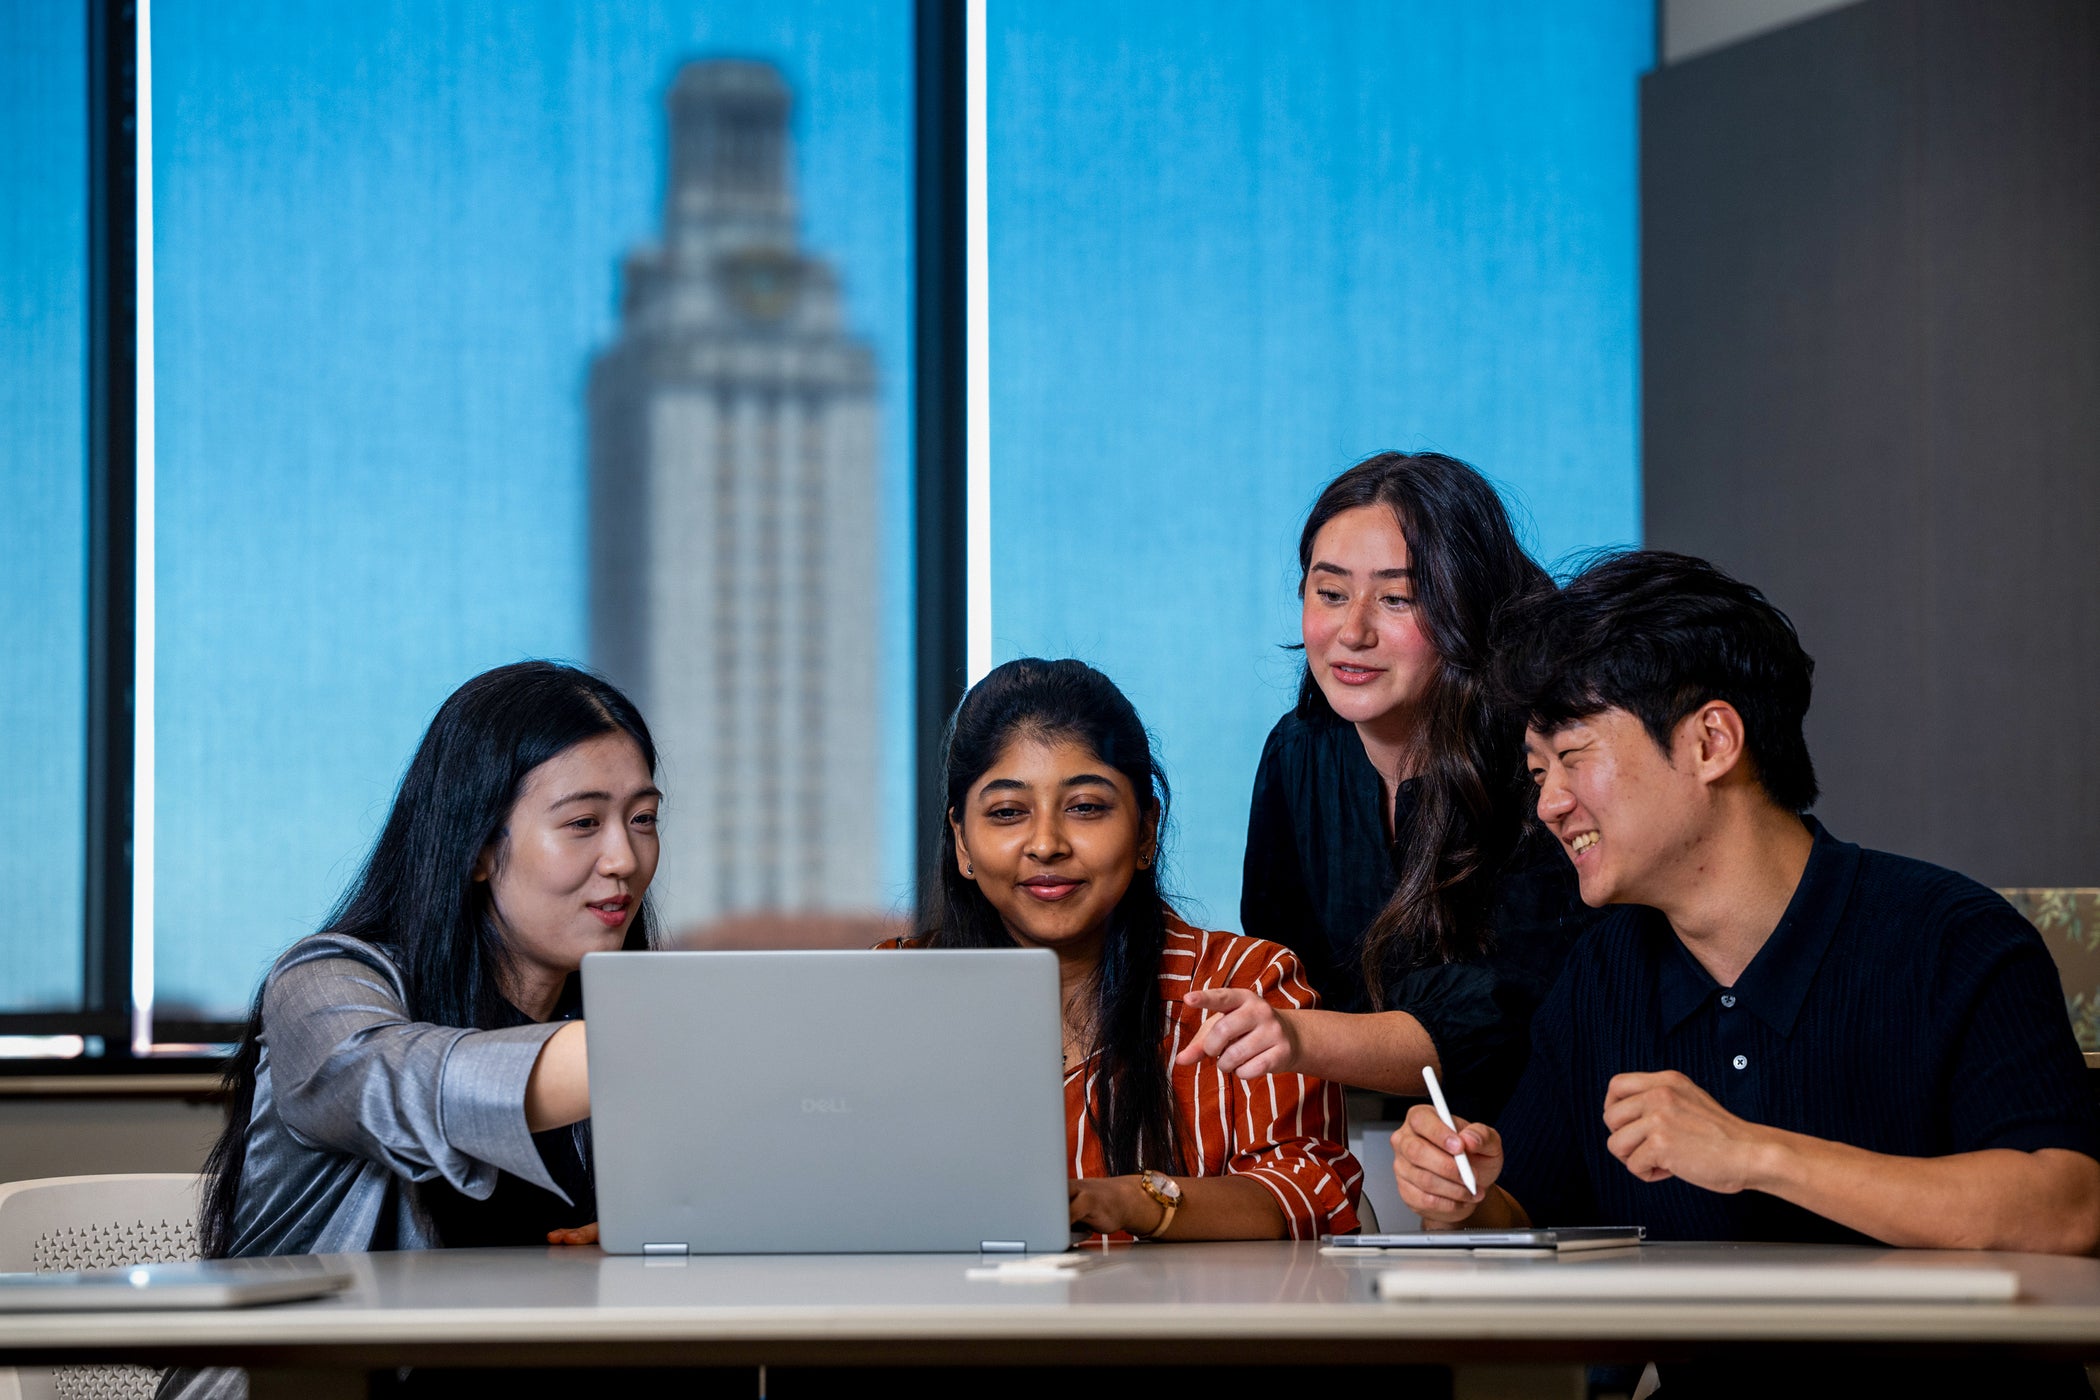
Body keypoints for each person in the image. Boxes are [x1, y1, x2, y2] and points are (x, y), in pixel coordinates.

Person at [1391, 551, 2100, 1397]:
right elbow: (1527, 1215)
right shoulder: (1604, 976)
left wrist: (1753, 1153)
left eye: (1574, 757)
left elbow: (2065, 1210)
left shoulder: (1953, 940)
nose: (1549, 805)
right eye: (1540, 773)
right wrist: (1464, 1198)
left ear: (1711, 741)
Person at [163, 662, 664, 1400]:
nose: (624, 858)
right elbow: (408, 1082)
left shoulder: (595, 1017)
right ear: (479, 850)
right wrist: (675, 1040)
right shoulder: (323, 985)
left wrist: (647, 1230)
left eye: (644, 819)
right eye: (584, 823)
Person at [893, 657, 1362, 1241]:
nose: (1046, 844)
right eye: (1008, 812)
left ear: (1145, 831)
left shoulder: (1246, 983)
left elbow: (1312, 1191)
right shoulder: (893, 988)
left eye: (1085, 807)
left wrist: (1128, 1201)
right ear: (962, 842)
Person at [1193, 452, 1595, 1118]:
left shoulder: (1540, 763)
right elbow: (1287, 975)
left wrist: (1301, 1038)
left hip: (1542, 1146)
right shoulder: (1299, 753)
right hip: (1364, 1143)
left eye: (1397, 598)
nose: (1352, 632)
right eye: (1330, 593)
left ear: (1466, 607)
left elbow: (1511, 1016)